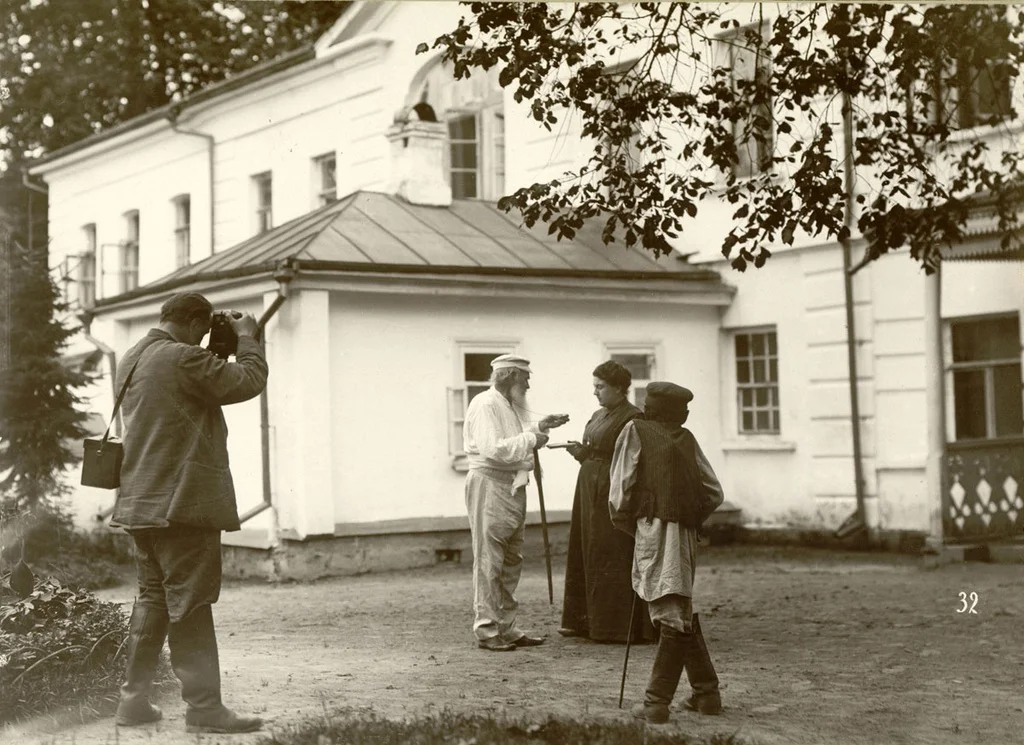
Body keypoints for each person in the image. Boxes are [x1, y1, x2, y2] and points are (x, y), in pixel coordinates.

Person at [111, 292, 268, 734]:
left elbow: (191, 387)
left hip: (141, 502)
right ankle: (204, 710)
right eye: (202, 329)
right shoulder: (182, 359)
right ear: (194, 321)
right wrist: (247, 338)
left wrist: (214, 347)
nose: (203, 338)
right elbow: (248, 380)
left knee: (153, 600)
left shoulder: (134, 356)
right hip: (181, 505)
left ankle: (132, 703)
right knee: (192, 603)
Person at [609, 381, 725, 723]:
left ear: (650, 406)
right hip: (686, 533)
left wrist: (635, 525)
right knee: (681, 608)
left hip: (654, 527)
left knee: (667, 612)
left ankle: (655, 703)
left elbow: (619, 494)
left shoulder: (634, 430)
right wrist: (687, 516)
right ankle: (707, 693)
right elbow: (714, 492)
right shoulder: (686, 439)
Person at [463, 353, 570, 651]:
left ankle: (506, 627)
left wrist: (539, 428)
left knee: (511, 560)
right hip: (490, 485)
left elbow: (517, 441)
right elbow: (493, 450)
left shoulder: (507, 405)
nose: (529, 384)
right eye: (526, 378)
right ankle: (486, 629)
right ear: (510, 376)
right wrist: (532, 438)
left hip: (511, 486)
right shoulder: (485, 404)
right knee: (489, 560)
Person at [559, 360, 654, 643]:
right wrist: (581, 452)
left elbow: (631, 460)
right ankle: (582, 621)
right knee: (585, 548)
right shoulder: (599, 414)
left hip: (614, 490)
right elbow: (595, 450)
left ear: (618, 388)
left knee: (609, 552)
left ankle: (613, 626)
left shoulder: (633, 417)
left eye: (600, 387)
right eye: (594, 387)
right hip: (589, 488)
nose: (595, 392)